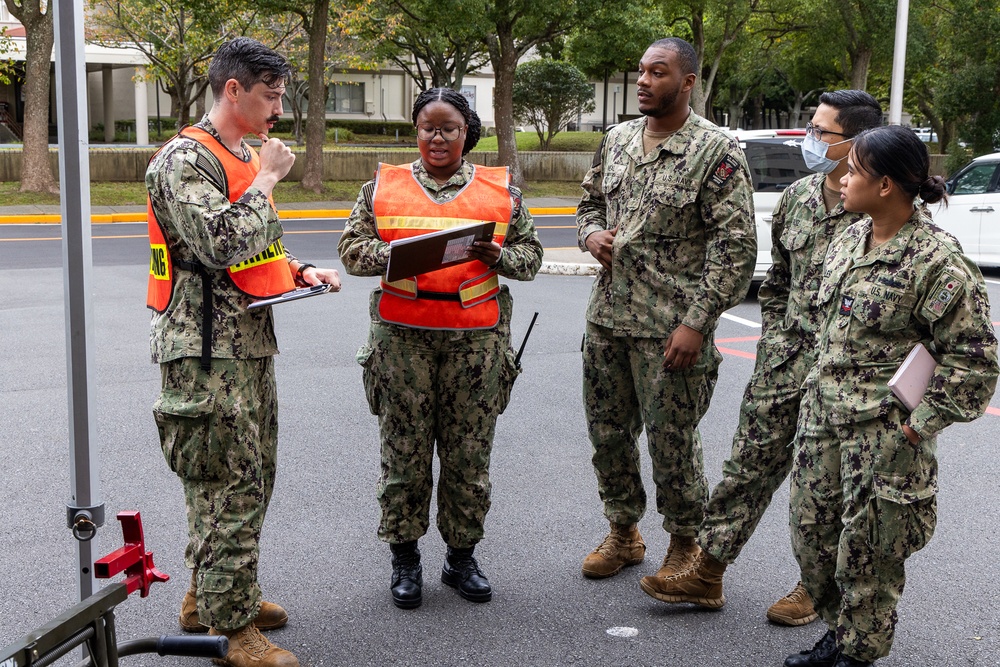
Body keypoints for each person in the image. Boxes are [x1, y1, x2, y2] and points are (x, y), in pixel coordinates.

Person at [639, 91, 883, 626]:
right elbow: (778, 282)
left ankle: (817, 587)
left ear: (858, 143)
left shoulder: (880, 206)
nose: (810, 140)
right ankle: (707, 571)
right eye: (810, 127)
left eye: (823, 132)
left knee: (826, 482)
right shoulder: (797, 197)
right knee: (747, 464)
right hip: (785, 359)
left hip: (847, 372)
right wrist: (776, 335)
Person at [147, 37, 340, 667]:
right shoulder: (183, 160)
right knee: (227, 486)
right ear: (234, 90)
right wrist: (268, 178)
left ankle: (213, 599)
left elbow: (258, 252)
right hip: (206, 355)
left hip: (247, 345)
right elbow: (217, 244)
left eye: (282, 94)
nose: (278, 109)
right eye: (270, 95)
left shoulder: (240, 157)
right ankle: (232, 632)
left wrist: (300, 270)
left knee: (246, 483)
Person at [783, 125, 998, 667]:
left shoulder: (935, 260)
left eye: (853, 170)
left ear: (884, 185)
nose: (843, 178)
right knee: (812, 538)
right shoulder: (849, 238)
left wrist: (917, 425)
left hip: (880, 434)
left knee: (869, 555)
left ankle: (858, 653)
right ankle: (839, 631)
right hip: (821, 421)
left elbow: (974, 358)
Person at [338, 87, 542, 610]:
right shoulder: (381, 188)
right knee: (403, 454)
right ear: (416, 131)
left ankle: (460, 558)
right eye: (428, 127)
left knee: (468, 457)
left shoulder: (502, 192)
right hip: (401, 340)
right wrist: (397, 255)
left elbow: (531, 257)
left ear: (465, 132)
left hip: (475, 345)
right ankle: (405, 561)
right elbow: (352, 254)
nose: (437, 137)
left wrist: (498, 255)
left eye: (448, 128)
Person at [576, 37, 756, 585]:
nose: (644, 81)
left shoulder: (717, 151)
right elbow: (588, 202)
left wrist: (696, 323)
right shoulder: (619, 140)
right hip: (608, 318)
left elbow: (736, 248)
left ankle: (684, 542)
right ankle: (624, 533)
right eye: (641, 71)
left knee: (672, 440)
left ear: (688, 82)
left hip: (669, 328)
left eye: (658, 72)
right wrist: (590, 235)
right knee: (608, 434)